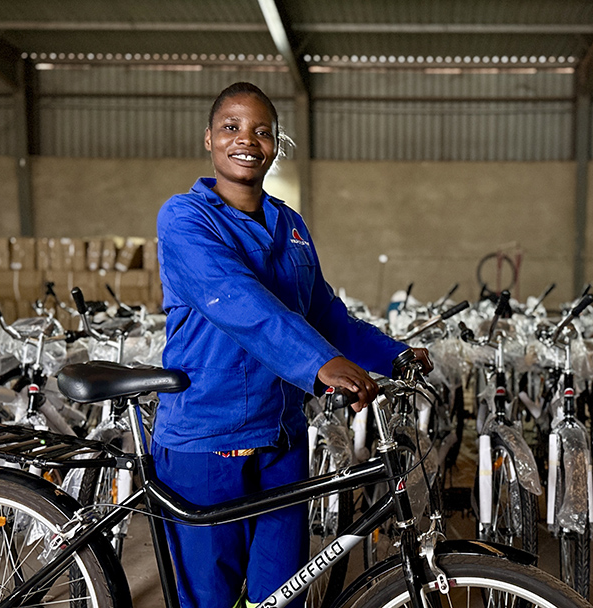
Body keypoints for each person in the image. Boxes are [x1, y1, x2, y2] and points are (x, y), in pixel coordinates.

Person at [155, 81, 431, 608]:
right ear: (209, 139)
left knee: (280, 596)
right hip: (210, 437)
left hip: (281, 436)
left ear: (276, 145)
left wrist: (390, 353)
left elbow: (325, 312)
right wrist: (321, 362)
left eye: (262, 131)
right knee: (208, 598)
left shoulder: (291, 224)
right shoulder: (185, 218)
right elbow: (237, 301)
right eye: (232, 127)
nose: (247, 140)